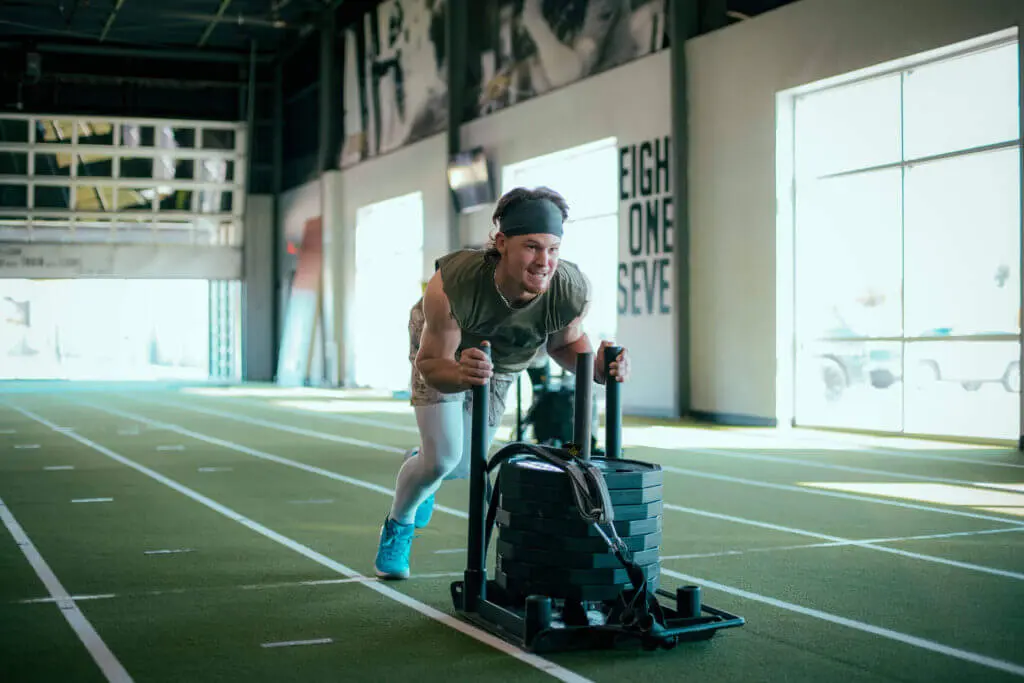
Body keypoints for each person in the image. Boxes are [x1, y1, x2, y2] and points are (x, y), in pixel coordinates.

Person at [373, 185, 630, 579]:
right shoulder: (452, 283)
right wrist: (459, 373)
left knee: (460, 466)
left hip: (502, 363)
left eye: (553, 249)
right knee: (441, 458)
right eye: (531, 247)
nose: (544, 261)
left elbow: (565, 344)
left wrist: (596, 368)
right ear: (501, 242)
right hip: (445, 354)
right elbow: (430, 361)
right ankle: (399, 524)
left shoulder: (570, 288)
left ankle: (423, 465)